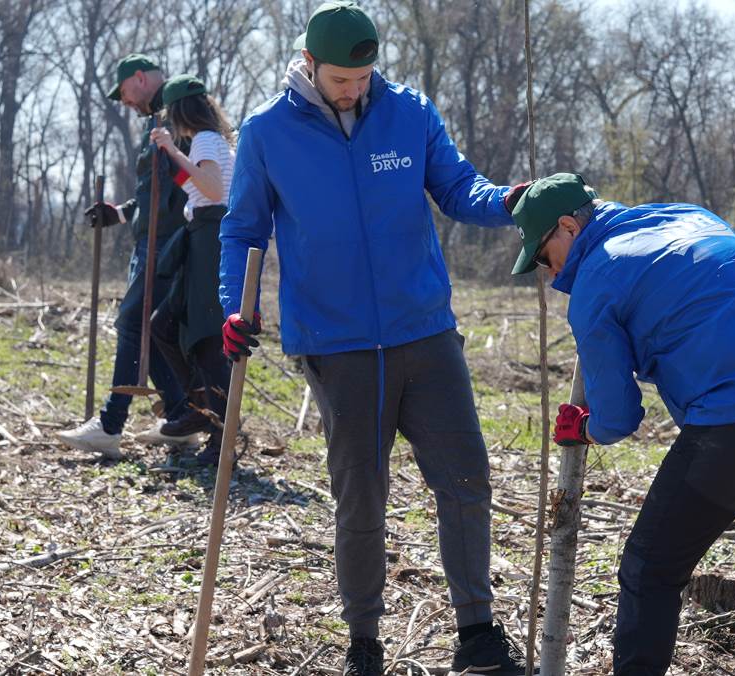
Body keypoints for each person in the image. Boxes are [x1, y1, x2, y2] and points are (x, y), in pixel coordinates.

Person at [217, 3, 531, 674]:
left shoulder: (409, 112)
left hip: (425, 333)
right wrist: (231, 307)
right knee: (361, 495)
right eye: (341, 80)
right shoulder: (267, 133)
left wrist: (506, 201)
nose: (355, 90)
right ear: (308, 64)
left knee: (467, 480)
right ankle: (365, 642)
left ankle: (477, 635)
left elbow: (456, 188)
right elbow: (241, 229)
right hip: (337, 345)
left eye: (363, 78)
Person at [508, 173, 735, 676]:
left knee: (650, 570)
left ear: (567, 227)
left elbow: (617, 417)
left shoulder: (595, 282)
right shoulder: (689, 215)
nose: (547, 270)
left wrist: (583, 428)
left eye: (542, 255)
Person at [57, 53, 194, 459]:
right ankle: (179, 419)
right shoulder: (154, 124)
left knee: (132, 323)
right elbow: (154, 195)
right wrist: (118, 213)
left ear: (139, 78)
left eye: (125, 94)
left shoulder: (177, 116)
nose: (125, 102)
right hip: (150, 243)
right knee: (147, 330)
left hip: (168, 246)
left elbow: (187, 186)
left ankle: (111, 425)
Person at [145, 74, 236, 467]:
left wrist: (172, 148)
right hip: (201, 236)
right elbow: (196, 186)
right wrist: (170, 158)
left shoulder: (205, 140)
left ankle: (218, 431)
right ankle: (197, 408)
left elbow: (213, 190)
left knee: (207, 340)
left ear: (182, 111)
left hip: (211, 239)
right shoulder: (210, 142)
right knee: (166, 325)